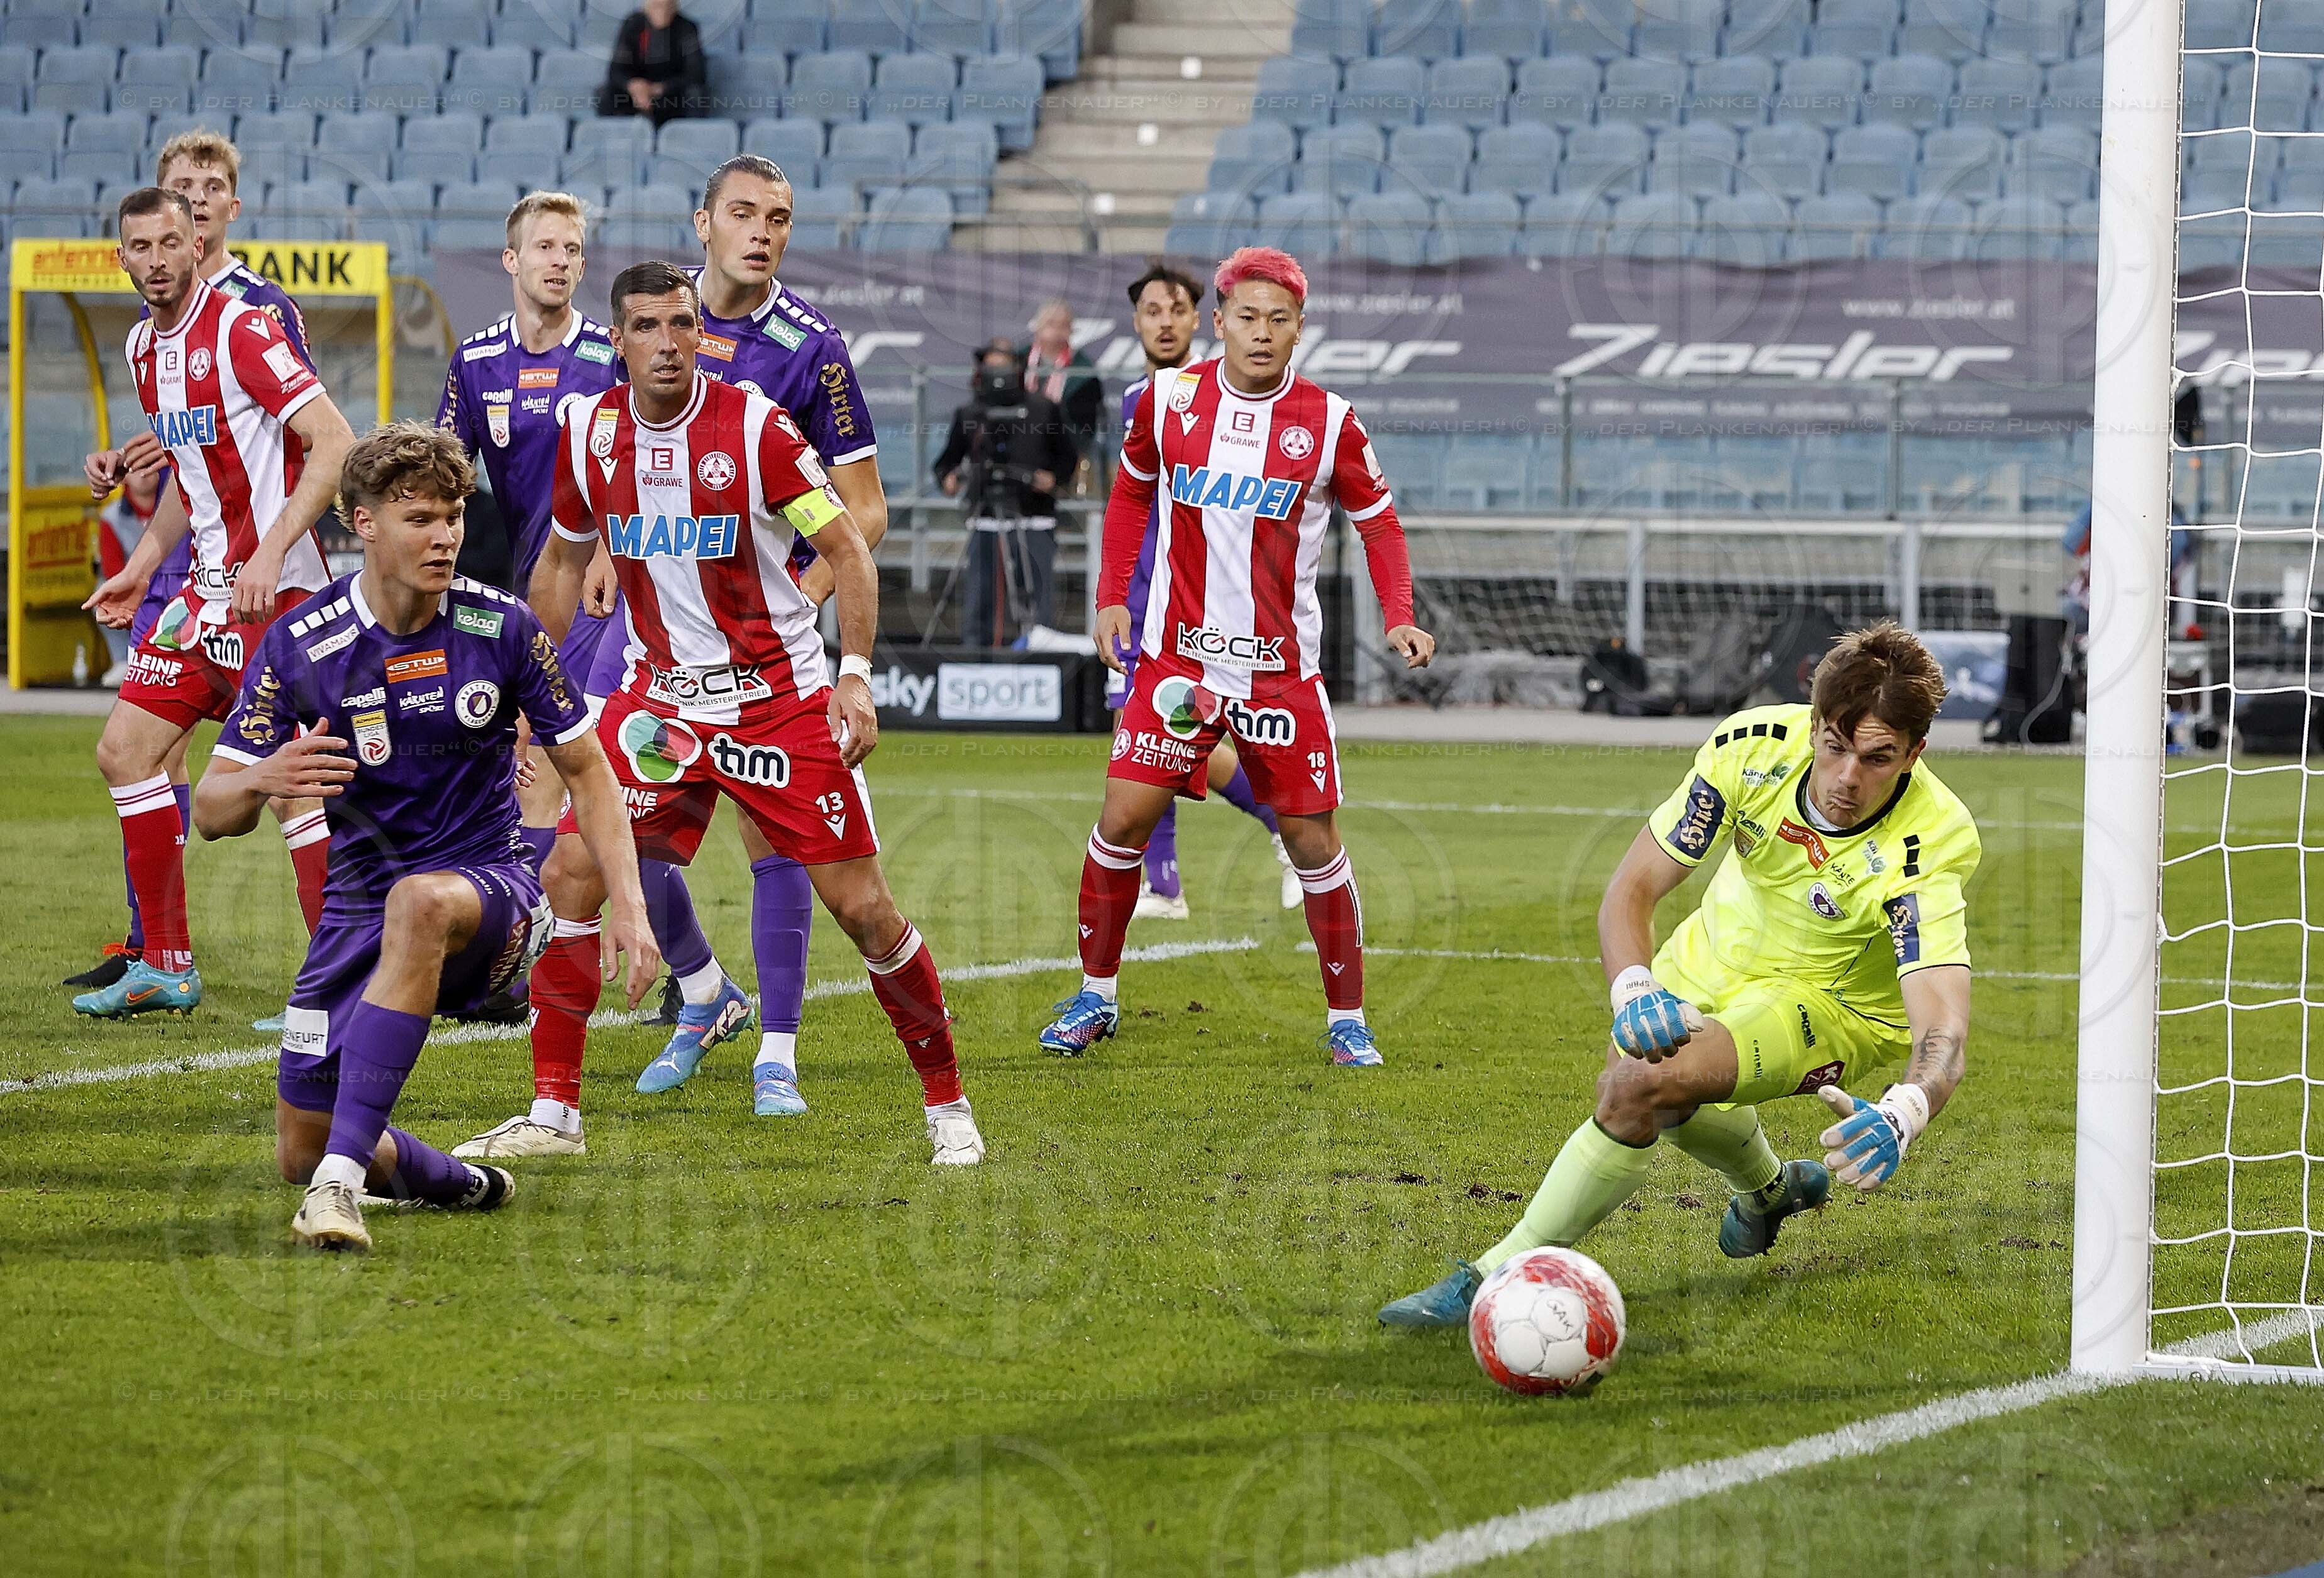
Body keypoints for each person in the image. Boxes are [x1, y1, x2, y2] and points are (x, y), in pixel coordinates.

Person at [501, 262, 985, 1167]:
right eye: (646, 327)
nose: (668, 343)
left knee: (867, 911)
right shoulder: (587, 433)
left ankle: (948, 1103)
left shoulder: (756, 428)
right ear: (618, 343)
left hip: (775, 703)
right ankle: (554, 1111)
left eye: (682, 324)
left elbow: (846, 547)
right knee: (569, 872)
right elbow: (564, 564)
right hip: (660, 707)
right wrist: (538, 684)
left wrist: (854, 675)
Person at [1378, 623, 1981, 1327]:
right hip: (1714, 954)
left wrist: (1907, 1109)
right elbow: (1632, 889)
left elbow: (1943, 1027)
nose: (1849, 777)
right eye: (1836, 746)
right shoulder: (1750, 751)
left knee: (1639, 1085)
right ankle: (1770, 1189)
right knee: (1643, 1081)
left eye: (1878, 758)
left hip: (1827, 1000)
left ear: (1916, 750)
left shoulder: (1929, 843)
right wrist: (1633, 983)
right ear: (1814, 725)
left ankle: (1493, 1277)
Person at [194, 422, 658, 1253]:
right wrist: (266, 777)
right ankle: (464, 1182)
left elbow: (589, 772)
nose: (444, 535)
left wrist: (630, 905)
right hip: (355, 915)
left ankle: (338, 1193)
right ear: (362, 523)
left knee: (419, 900)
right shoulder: (302, 645)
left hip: (493, 893)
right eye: (420, 518)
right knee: (300, 1147)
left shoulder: (504, 628)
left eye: (452, 516)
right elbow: (212, 808)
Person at [1038, 246, 1436, 1069]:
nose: (1262, 333)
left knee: (1313, 845)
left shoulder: (1330, 422)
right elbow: (1129, 494)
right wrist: (1112, 595)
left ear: (1299, 328)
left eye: (1279, 320)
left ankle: (1348, 1019)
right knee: (1120, 823)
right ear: (1217, 323)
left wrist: (1400, 614)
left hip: (1280, 675)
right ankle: (1096, 997)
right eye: (1247, 318)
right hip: (1177, 665)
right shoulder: (1164, 400)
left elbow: (1381, 524)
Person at [74, 187, 355, 1020]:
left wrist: (269, 548)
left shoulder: (240, 328)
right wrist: (145, 566)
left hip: (281, 593)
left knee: (296, 789)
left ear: (198, 245)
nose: (157, 259)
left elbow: (335, 442)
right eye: (140, 246)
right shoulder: (138, 348)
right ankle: (166, 964)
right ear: (120, 255)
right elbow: (192, 482)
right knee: (126, 750)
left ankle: (336, 994)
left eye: (171, 242)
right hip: (204, 597)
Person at [436, 192, 624, 885]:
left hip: (614, 594)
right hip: (536, 588)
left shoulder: (613, 355)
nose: (562, 261)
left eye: (573, 250)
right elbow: (444, 482)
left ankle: (520, 965)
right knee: (560, 778)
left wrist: (608, 549)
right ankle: (697, 973)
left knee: (545, 765)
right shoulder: (477, 362)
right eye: (547, 247)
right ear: (512, 259)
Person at [1107, 263, 1301, 923]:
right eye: (1152, 310)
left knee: (1177, 738)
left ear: (1201, 321)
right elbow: (1130, 500)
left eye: (1177, 309)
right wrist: (1112, 595)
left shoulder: (1227, 397)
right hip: (1143, 600)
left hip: (1205, 605)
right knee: (1146, 738)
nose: (1164, 321)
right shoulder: (1142, 397)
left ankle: (1279, 826)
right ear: (1136, 322)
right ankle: (1162, 884)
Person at [932, 339, 1080, 646]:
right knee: (979, 596)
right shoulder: (970, 412)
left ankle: (1040, 659)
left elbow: (1068, 457)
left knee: (1038, 598)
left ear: (1018, 369)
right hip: (986, 518)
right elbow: (946, 461)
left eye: (1004, 366)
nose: (997, 374)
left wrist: (1052, 478)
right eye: (991, 366)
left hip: (1034, 516)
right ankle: (975, 661)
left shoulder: (1043, 409)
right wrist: (949, 479)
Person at [598, 0, 706, 124]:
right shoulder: (633, 25)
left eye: (667, 6)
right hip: (636, 92)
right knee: (604, 94)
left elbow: (696, 74)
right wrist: (633, 86)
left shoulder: (687, 28)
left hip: (672, 93)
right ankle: (614, 138)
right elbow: (616, 70)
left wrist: (660, 88)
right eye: (657, 6)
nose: (663, 11)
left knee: (695, 94)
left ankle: (688, 138)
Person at [1022, 297, 1103, 461]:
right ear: (1038, 327)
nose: (1058, 331)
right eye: (1051, 324)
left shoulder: (1084, 372)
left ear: (1071, 330)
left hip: (1062, 451)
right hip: (1019, 445)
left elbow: (1085, 430)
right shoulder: (1018, 360)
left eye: (1064, 325)